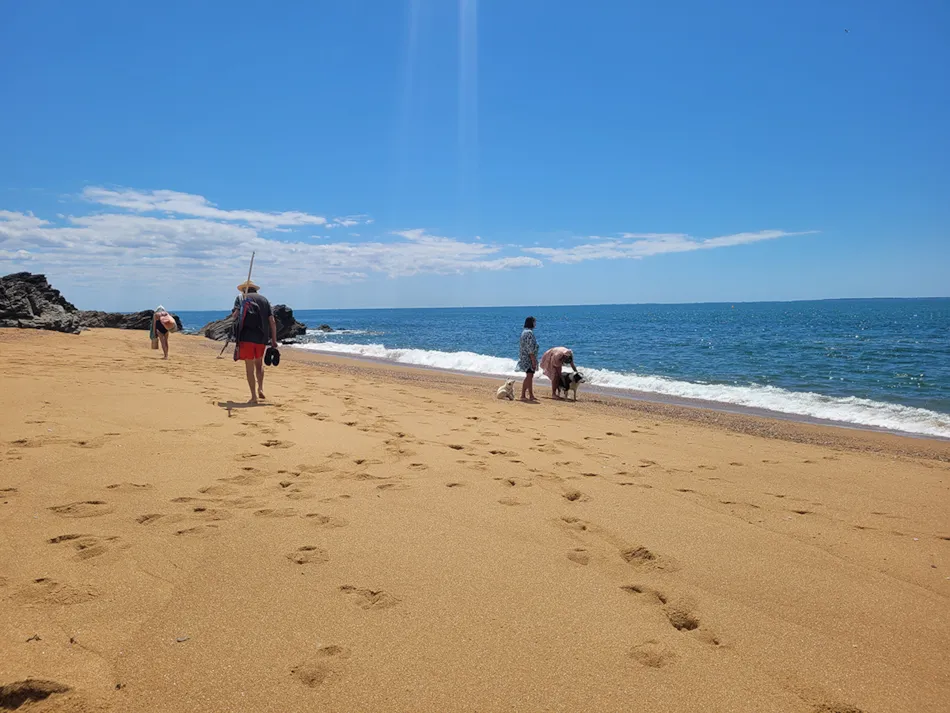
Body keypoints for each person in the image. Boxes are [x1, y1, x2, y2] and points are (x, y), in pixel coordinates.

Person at [231, 280, 278, 403]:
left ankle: (253, 396)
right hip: (262, 338)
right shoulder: (264, 300)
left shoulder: (241, 298)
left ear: (244, 290)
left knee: (249, 367)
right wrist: (274, 340)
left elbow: (235, 316)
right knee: (259, 364)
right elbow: (272, 321)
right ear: (255, 289)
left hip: (246, 337)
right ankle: (261, 388)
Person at [517, 316, 539, 401]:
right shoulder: (529, 333)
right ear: (532, 323)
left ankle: (531, 395)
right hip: (528, 358)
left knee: (530, 376)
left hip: (524, 356)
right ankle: (523, 395)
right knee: (529, 376)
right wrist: (533, 359)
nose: (535, 324)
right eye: (534, 322)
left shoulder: (524, 332)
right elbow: (530, 348)